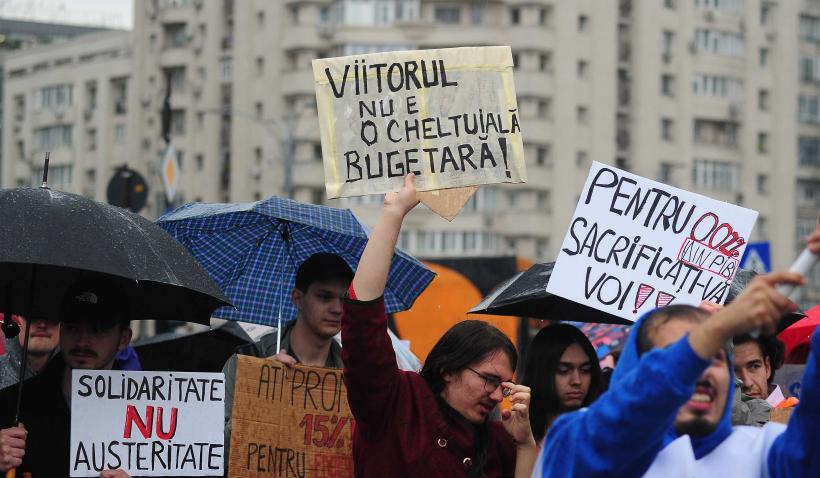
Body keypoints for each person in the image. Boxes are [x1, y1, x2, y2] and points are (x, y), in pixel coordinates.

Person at [533, 261, 819, 477]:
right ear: (639, 370)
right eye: (682, 354)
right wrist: (713, 331)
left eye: (716, 357)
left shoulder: (765, 452)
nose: (699, 367)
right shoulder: (575, 440)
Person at [344, 173, 536, 477]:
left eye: (504, 386)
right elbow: (362, 322)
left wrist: (525, 445)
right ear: (448, 368)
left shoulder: (499, 440)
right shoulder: (397, 404)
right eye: (489, 380)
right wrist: (394, 212)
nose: (498, 397)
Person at [0, 278, 133, 478]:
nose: (82, 341)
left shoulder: (146, 410)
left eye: (96, 329)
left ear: (123, 339)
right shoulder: (13, 404)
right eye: (72, 328)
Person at [221, 253, 352, 453]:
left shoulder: (354, 375)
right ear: (298, 299)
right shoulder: (245, 363)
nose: (337, 309)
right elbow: (215, 454)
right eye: (324, 297)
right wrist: (258, 395)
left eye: (344, 299)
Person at [521, 324, 603, 445]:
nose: (577, 381)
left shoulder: (603, 434)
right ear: (541, 372)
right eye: (563, 371)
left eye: (585, 370)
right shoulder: (517, 436)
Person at [0, 315, 60, 390]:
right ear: (18, 320)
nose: (42, 324)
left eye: (52, 317)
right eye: (32, 317)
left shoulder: (75, 376)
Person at [733, 333, 789, 407]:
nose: (747, 383)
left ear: (767, 367)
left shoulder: (796, 415)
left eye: (754, 367)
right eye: (734, 371)